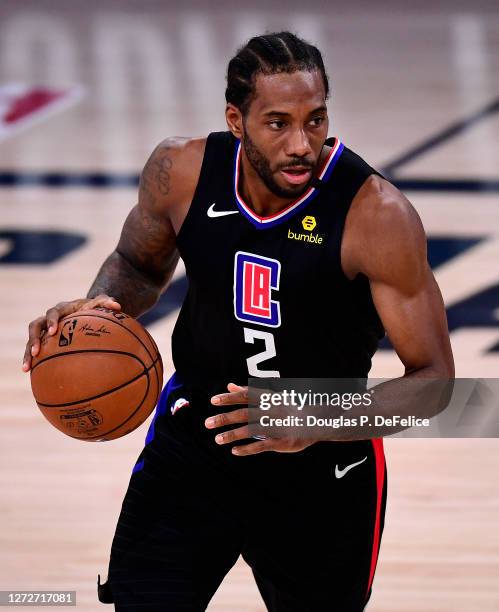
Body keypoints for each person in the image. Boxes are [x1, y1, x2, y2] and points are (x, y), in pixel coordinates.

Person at [23, 32, 454, 612]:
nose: (302, 143)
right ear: (236, 119)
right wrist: (97, 305)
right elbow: (135, 265)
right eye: (278, 123)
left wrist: (311, 419)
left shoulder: (376, 215)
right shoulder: (180, 171)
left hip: (322, 472)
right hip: (193, 447)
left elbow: (434, 383)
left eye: (316, 120)